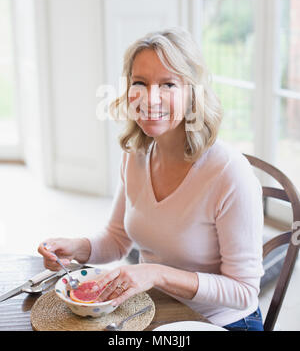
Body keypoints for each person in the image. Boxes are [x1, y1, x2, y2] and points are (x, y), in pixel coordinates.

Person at [38, 27, 264, 331]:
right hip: (154, 312)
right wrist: (77, 247)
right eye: (139, 83)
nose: (149, 98)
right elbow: (117, 239)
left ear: (193, 93)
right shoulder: (136, 154)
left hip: (221, 322)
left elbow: (244, 290)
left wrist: (156, 274)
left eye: (168, 84)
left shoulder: (229, 173)